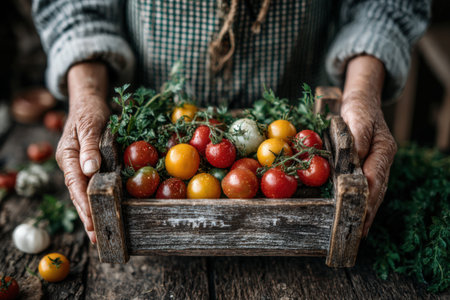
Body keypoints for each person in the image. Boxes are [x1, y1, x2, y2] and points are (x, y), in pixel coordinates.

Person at [32, 0, 430, 244]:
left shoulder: (280, 157)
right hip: (159, 120)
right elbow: (75, 5)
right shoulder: (174, 151)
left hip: (296, 110)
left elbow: (383, 5)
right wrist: (85, 96)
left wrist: (360, 93)